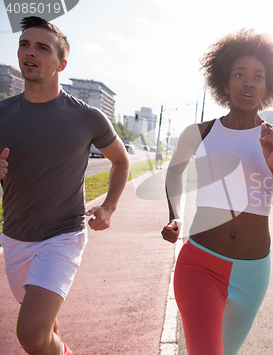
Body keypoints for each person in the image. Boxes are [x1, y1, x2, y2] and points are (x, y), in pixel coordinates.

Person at [162, 29, 273, 355]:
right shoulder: (198, 133)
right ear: (224, 83)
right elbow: (174, 172)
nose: (249, 83)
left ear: (268, 86)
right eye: (239, 75)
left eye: (258, 76)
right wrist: (174, 216)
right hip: (199, 263)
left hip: (252, 274)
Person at [0, 17, 130, 355]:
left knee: (30, 335)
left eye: (42, 48)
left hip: (63, 235)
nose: (30, 52)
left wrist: (109, 207)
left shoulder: (86, 117)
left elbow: (121, 160)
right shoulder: (1, 113)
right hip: (14, 238)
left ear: (62, 63)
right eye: (24, 44)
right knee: (46, 327)